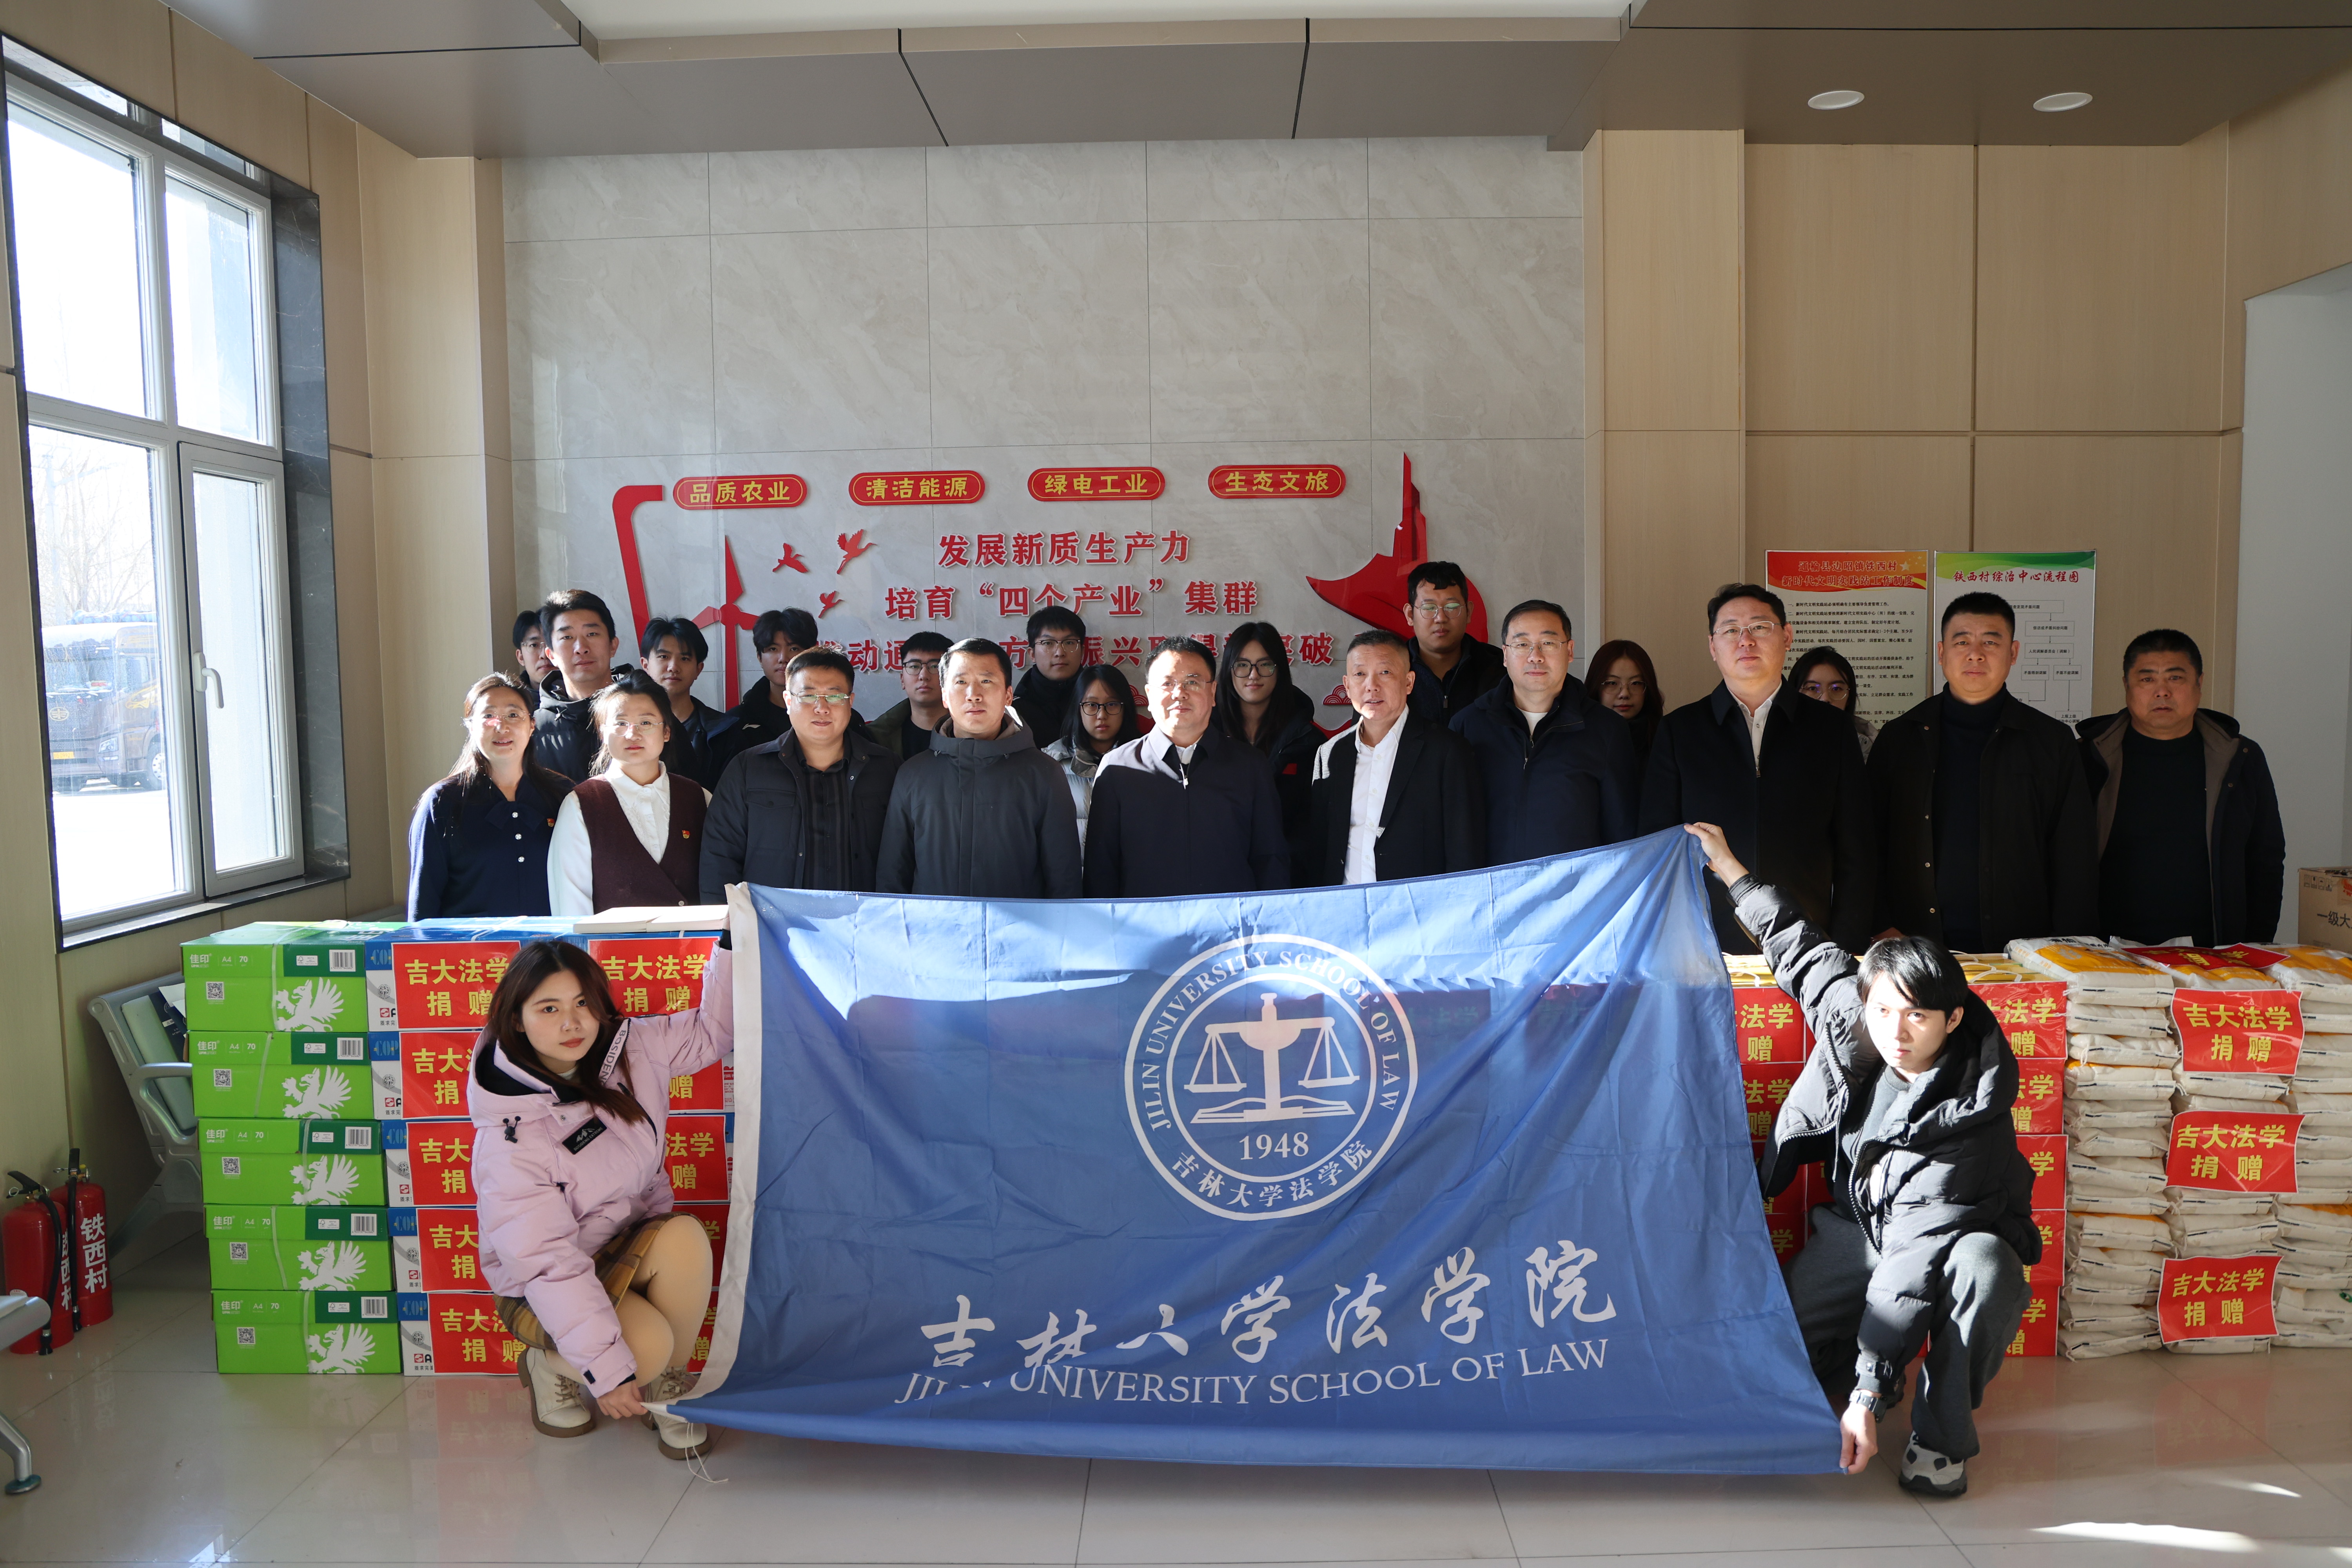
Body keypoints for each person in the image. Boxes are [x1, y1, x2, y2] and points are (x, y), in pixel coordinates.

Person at [1684, 820, 2038, 1500]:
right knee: (1778, 1346)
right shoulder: (1859, 1020)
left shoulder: (1968, 1115)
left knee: (1987, 1272)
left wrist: (1867, 1396)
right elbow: (1800, 946)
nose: (1897, 1033)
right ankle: (1861, 1376)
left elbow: (1910, 1261)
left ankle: (1941, 1437)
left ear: (1953, 1019)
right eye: (1884, 1011)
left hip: (1953, 1233)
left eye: (1919, 1017)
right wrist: (1729, 868)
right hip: (1857, 1224)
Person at [470, 936, 733, 1460]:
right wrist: (608, 1372)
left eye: (583, 1003)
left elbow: (713, 1033)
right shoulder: (510, 1139)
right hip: (543, 1285)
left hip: (622, 1244)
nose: (572, 1024)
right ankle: (550, 1367)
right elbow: (548, 1264)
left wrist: (734, 945)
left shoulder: (631, 1048)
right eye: (549, 1009)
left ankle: (666, 1383)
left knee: (684, 1237)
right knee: (645, 1349)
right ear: (517, 1019)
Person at [1639, 584, 1876, 954]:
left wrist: (1846, 945)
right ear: (1713, 646)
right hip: (1706, 946)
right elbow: (1658, 849)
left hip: (1811, 944)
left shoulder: (1831, 729)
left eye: (1760, 627)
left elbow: (1856, 849)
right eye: (1731, 630)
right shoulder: (1680, 731)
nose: (1745, 641)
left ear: (1787, 636)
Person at [1870, 592, 2098, 952]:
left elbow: (2074, 853)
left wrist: (2068, 944)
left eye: (1991, 642)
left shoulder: (2051, 741)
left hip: (2026, 948)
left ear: (2013, 653)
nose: (1975, 654)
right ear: (1942, 653)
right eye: (1962, 642)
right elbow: (1869, 841)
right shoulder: (1900, 738)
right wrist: (1881, 923)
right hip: (1915, 943)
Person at [2078, 630, 2286, 946]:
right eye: (2147, 679)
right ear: (2127, 686)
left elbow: (2265, 859)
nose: (2162, 692)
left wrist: (2254, 946)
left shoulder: (2240, 758)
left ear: (2199, 684)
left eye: (2175, 678)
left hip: (2213, 951)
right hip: (2105, 951)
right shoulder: (2087, 759)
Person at [877, 638, 1081, 898]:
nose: (973, 694)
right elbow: (892, 877)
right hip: (933, 925)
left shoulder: (1044, 773)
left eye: (986, 681)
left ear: (1008, 695)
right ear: (945, 696)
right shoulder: (913, 774)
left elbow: (1064, 879)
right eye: (961, 682)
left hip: (1019, 925)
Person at [1084, 639, 1289, 897]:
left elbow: (1270, 860)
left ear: (1213, 692)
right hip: (1145, 921)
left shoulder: (1250, 766)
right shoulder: (1118, 768)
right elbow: (1101, 869)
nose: (1179, 693)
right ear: (1149, 695)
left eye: (1192, 682)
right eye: (1167, 684)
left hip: (1230, 921)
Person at [700, 648, 899, 900]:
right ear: (788, 701)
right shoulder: (748, 769)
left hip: (867, 920)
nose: (822, 708)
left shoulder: (887, 768)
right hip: (773, 921)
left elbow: (904, 856)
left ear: (850, 702)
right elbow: (719, 857)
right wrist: (727, 920)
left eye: (834, 696)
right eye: (808, 696)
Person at [1452, 599, 1637, 864]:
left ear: (1570, 651)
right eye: (1522, 644)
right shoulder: (1467, 727)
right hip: (1489, 887)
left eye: (1548, 643)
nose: (1535, 656)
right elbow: (1453, 828)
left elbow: (1622, 834)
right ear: (1505, 655)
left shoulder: (1607, 730)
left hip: (1575, 888)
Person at [1303, 630, 1484, 884]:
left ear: (1409, 682)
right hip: (1346, 903)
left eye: (1385, 672)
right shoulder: (1330, 753)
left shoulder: (1447, 751)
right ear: (1347, 685)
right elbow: (1319, 847)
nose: (1371, 686)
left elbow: (1464, 852)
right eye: (1360, 674)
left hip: (1416, 905)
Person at [406, 674, 573, 918]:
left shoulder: (562, 794)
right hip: (469, 943)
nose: (501, 727)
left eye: (513, 715)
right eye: (488, 716)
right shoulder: (442, 802)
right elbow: (424, 903)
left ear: (532, 725)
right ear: (471, 726)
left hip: (549, 941)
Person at [548, 671, 712, 914]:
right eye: (621, 723)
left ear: (666, 732)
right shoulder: (581, 805)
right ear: (603, 733)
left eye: (646, 723)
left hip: (692, 939)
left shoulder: (699, 798)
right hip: (614, 940)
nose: (632, 734)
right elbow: (571, 906)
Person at [1215, 622, 1325, 878]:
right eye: (1243, 665)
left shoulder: (1309, 743)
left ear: (1279, 670)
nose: (1254, 675)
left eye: (1265, 665)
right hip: (1220, 877)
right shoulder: (1206, 736)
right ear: (1229, 671)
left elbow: (1314, 826)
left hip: (1288, 880)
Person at [1043, 663, 1142, 863]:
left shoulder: (1147, 762)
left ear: (1125, 708)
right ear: (1078, 708)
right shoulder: (1051, 764)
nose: (1101, 715)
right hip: (1071, 879)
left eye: (1112, 704)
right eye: (1091, 705)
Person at [532, 589, 630, 782]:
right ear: (551, 655)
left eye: (592, 634)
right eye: (567, 638)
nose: (581, 648)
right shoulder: (534, 730)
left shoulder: (649, 712)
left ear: (613, 645)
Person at [711, 608, 816, 773]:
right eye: (773, 649)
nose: (783, 658)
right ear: (760, 657)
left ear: (812, 654)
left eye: (794, 649)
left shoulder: (834, 714)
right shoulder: (736, 723)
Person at [1402, 561, 1506, 726]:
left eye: (1452, 607)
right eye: (1429, 608)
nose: (1441, 618)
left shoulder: (1501, 668)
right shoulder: (1389, 670)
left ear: (1469, 612)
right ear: (1410, 615)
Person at [640, 617, 723, 790]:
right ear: (645, 665)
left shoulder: (724, 733)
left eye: (684, 659)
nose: (673, 667)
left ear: (698, 669)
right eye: (664, 657)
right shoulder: (627, 729)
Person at [867, 632, 951, 760]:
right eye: (914, 666)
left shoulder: (973, 732)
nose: (924, 676)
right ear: (902, 680)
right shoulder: (874, 738)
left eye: (935, 666)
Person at [1011, 606, 1088, 739]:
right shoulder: (1015, 709)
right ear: (1032, 654)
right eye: (1048, 643)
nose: (1060, 653)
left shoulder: (1101, 698)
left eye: (1069, 643)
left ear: (1082, 651)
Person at [1588, 639, 1664, 771]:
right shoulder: (1577, 743)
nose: (1625, 694)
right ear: (1596, 687)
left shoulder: (1666, 742)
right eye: (1612, 683)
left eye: (1636, 683)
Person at [1795, 646, 1879, 762]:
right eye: (1813, 688)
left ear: (1849, 697)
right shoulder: (1775, 741)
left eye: (1836, 689)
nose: (1825, 699)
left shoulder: (1869, 747)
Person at [513, 611, 554, 688]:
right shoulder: (512, 695)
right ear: (521, 657)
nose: (544, 655)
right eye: (534, 645)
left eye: (551, 644)